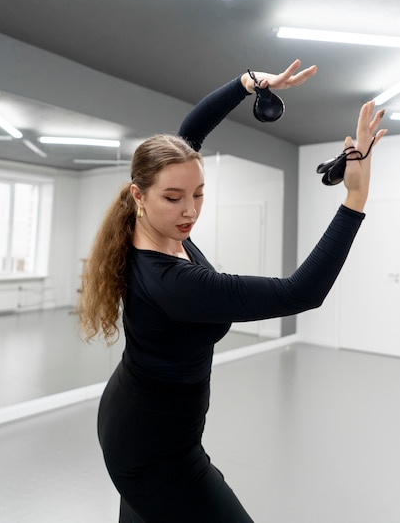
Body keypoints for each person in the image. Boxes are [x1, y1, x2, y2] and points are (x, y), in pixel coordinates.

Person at [75, 60, 386, 523]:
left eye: (198, 193)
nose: (190, 210)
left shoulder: (161, 233)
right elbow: (301, 292)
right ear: (139, 196)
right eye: (174, 198)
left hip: (142, 421)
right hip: (154, 451)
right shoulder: (173, 283)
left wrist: (248, 84)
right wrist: (355, 198)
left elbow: (187, 133)